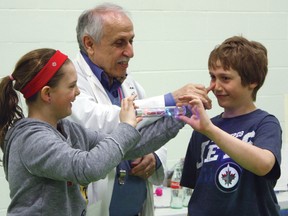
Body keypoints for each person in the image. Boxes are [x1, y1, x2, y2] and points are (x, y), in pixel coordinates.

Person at [0, 48, 188, 216]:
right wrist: (126, 127)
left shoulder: (68, 129)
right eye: (72, 86)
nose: (78, 93)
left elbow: (129, 147)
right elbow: (87, 168)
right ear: (47, 94)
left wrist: (181, 116)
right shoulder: (31, 139)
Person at [69, 3, 212, 216]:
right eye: (120, 43)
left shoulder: (130, 85)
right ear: (89, 44)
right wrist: (170, 99)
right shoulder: (70, 83)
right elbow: (98, 123)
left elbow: (149, 129)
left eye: (131, 41)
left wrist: (154, 157)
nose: (131, 52)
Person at [177, 36, 282, 215]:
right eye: (212, 77)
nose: (216, 86)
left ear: (252, 81)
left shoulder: (265, 123)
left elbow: (264, 164)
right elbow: (196, 189)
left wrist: (210, 130)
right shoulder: (204, 127)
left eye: (225, 78)